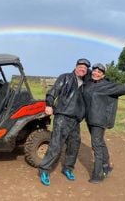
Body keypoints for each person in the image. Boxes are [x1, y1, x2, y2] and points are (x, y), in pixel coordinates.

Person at [38, 58, 91, 186]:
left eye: (85, 68)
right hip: (62, 116)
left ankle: (68, 168)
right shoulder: (65, 77)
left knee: (74, 145)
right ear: (75, 67)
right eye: (80, 67)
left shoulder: (86, 84)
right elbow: (53, 92)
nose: (82, 69)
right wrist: (49, 104)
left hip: (75, 120)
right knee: (56, 144)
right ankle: (44, 170)